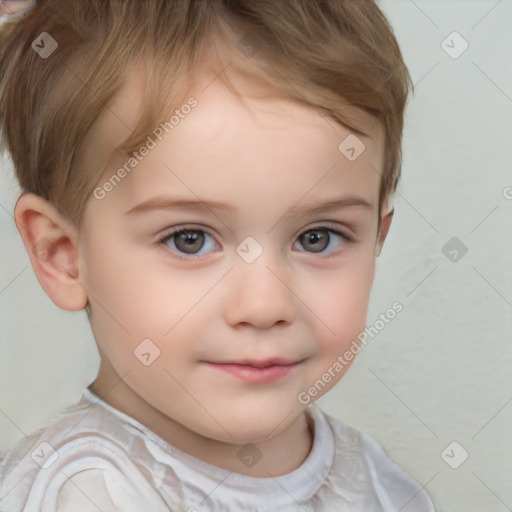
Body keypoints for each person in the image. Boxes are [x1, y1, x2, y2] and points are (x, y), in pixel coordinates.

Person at [0, 0, 435, 510]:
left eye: (318, 237)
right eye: (190, 239)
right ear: (64, 255)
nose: (265, 305)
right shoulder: (87, 494)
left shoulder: (378, 484)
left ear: (377, 236)